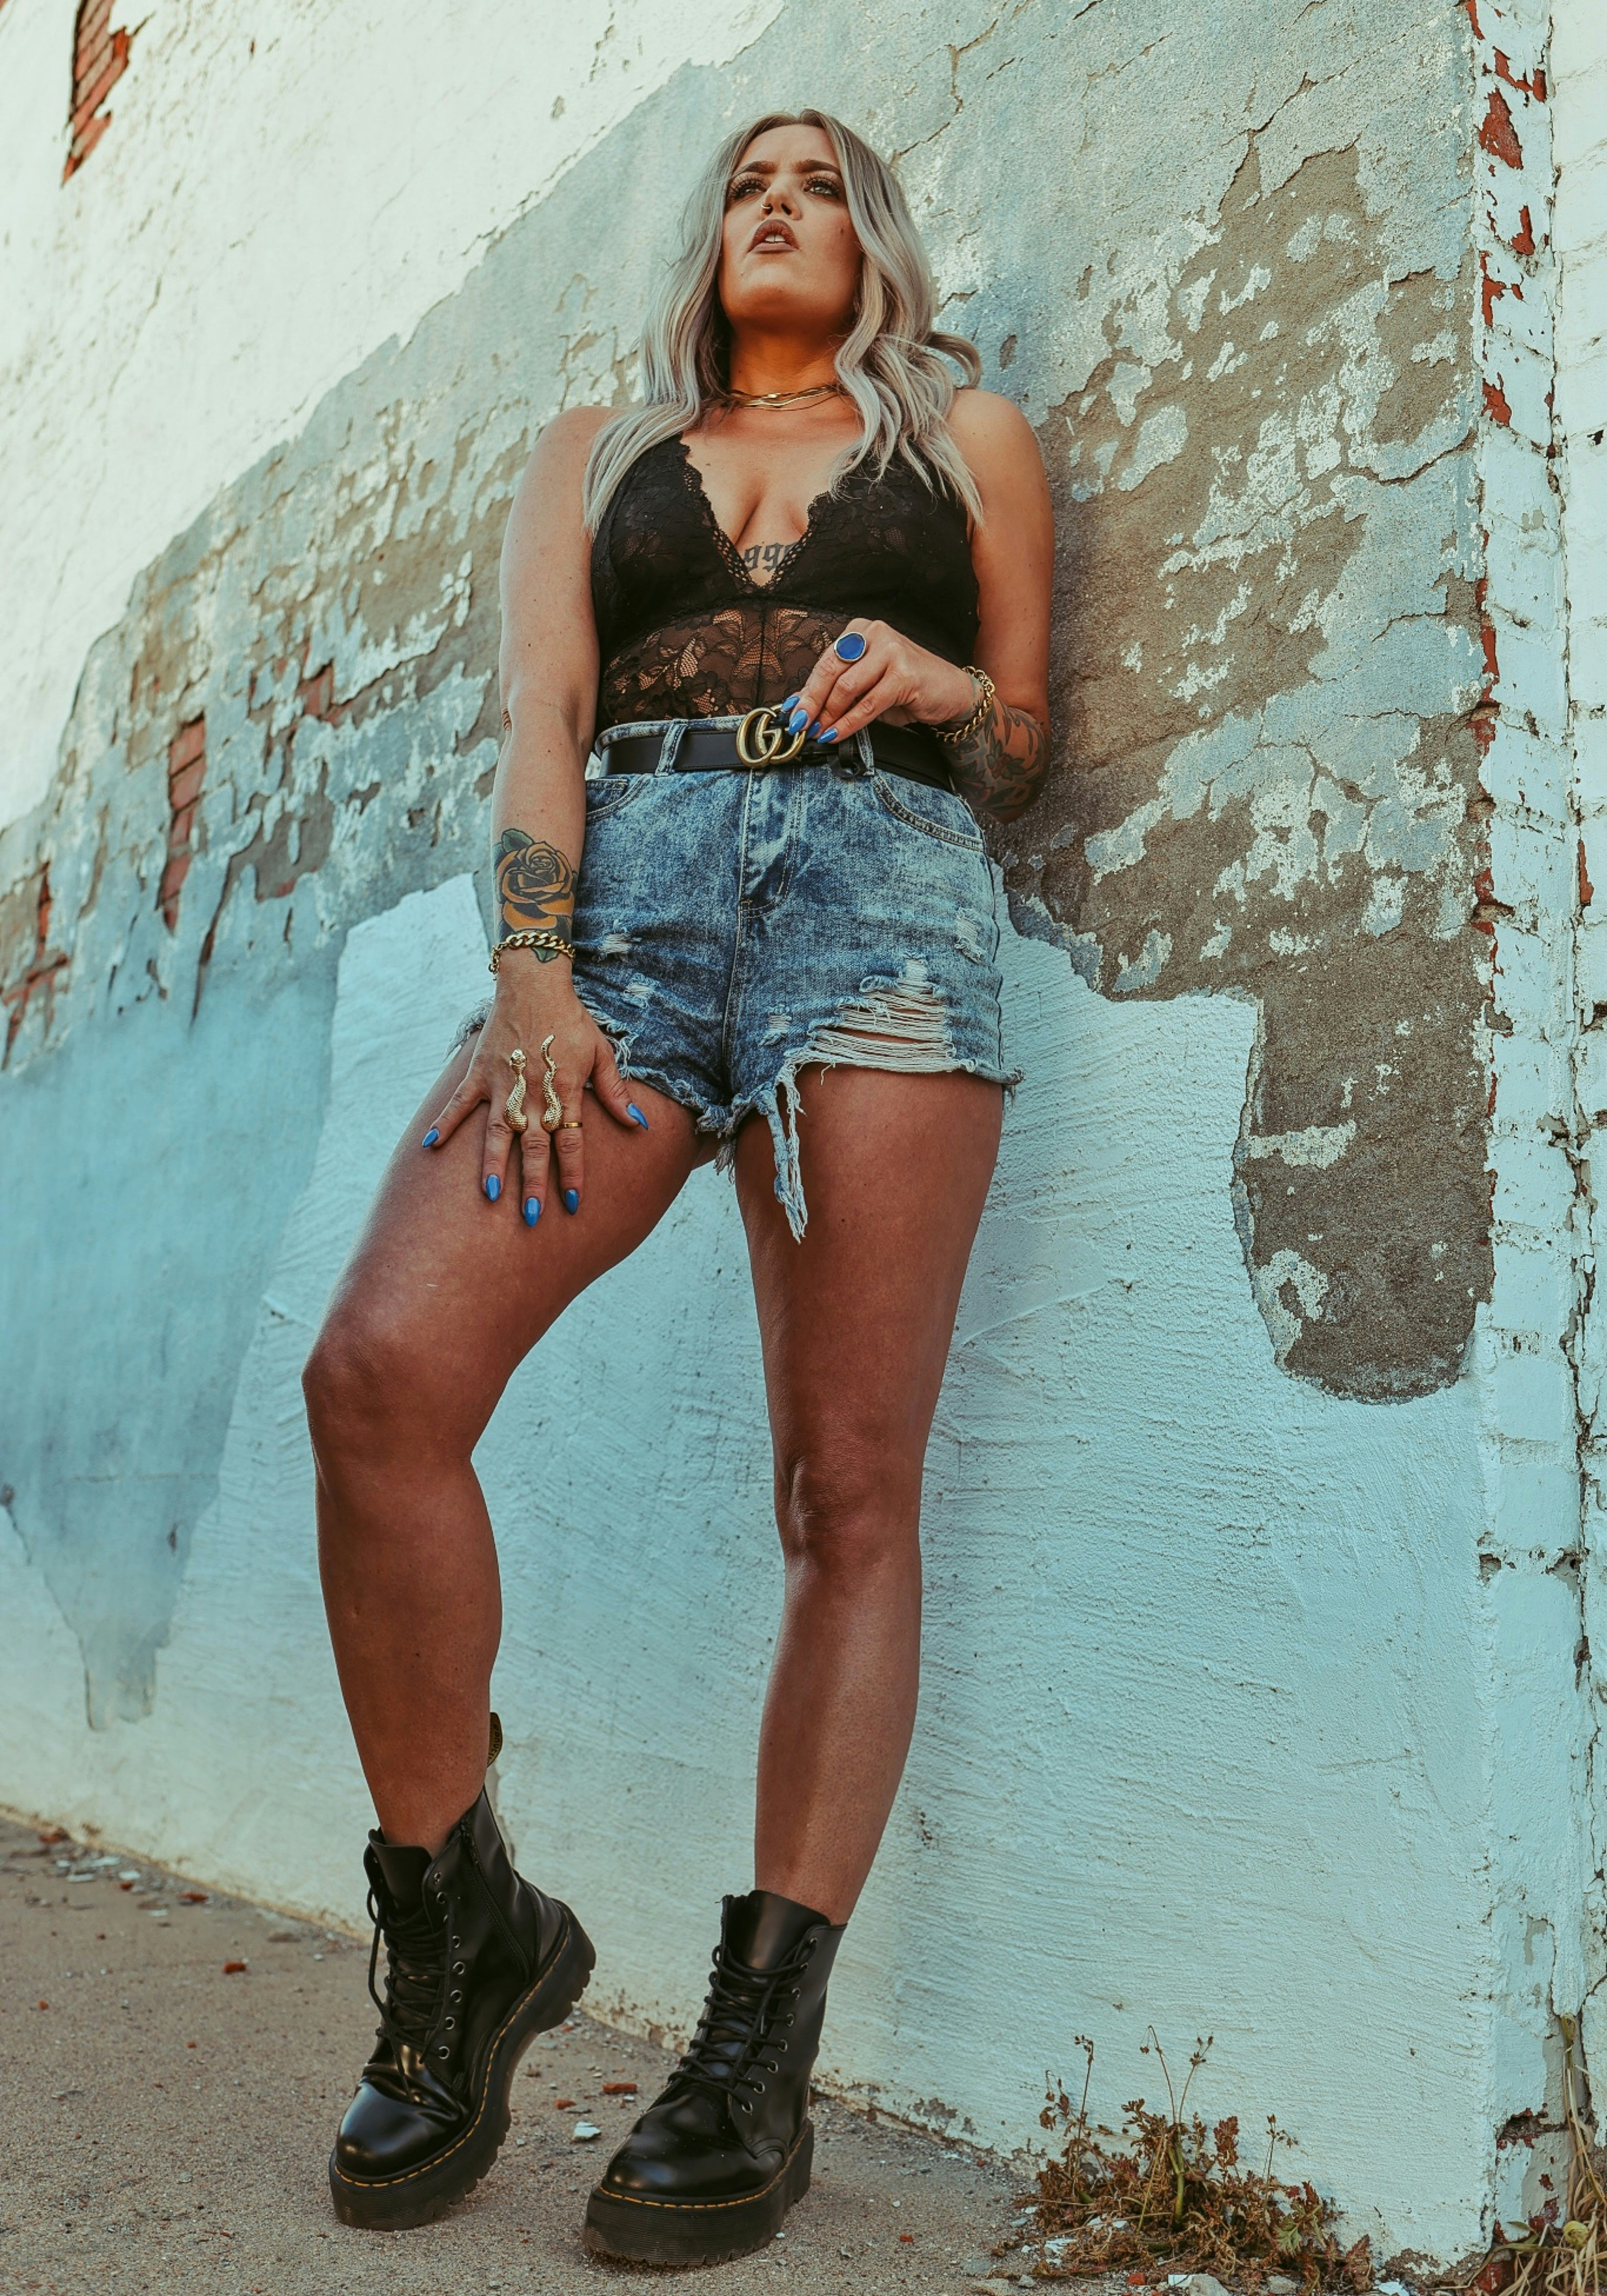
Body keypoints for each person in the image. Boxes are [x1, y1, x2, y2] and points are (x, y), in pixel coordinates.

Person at [302, 105, 1052, 2267]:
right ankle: (462, 1927)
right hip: (616, 930)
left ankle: (753, 2044)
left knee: (846, 1490)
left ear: (872, 233)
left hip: (883, 912)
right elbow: (542, 711)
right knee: (377, 1379)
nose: (779, 202)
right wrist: (529, 982)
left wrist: (946, 685)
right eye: (746, 183)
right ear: (710, 245)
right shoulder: (590, 458)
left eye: (819, 180)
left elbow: (1024, 728)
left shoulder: (960, 438)